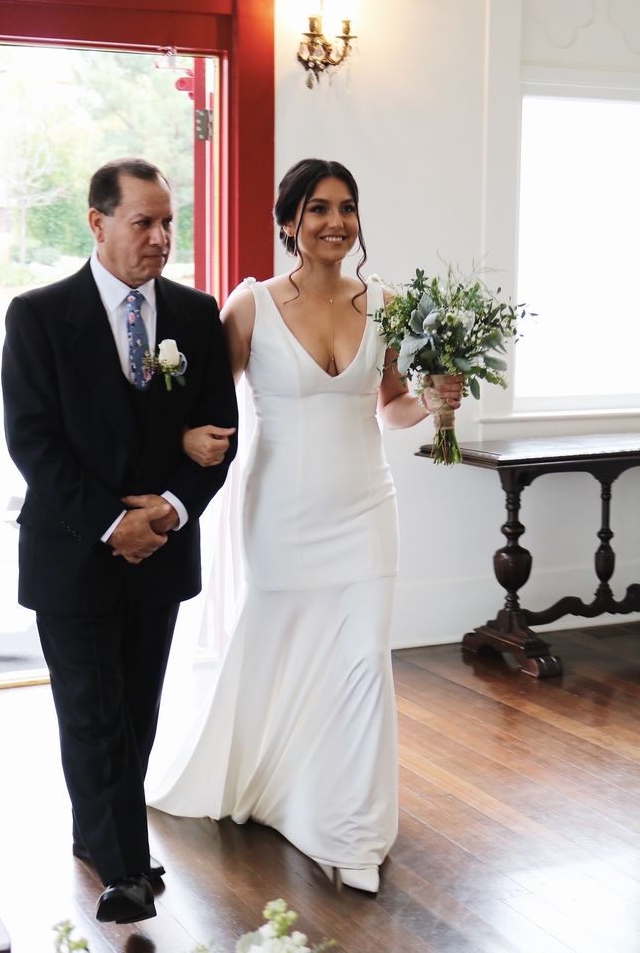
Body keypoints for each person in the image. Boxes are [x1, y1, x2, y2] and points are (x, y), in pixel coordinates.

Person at [147, 158, 461, 894]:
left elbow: (391, 407)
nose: (335, 222)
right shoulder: (250, 306)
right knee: (282, 652)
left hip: (366, 509)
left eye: (346, 208)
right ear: (289, 222)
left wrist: (435, 403)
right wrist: (178, 444)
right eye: (318, 208)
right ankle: (274, 783)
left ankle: (351, 831)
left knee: (363, 663)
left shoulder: (386, 303)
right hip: (282, 514)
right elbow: (204, 403)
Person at [1, 158, 238, 924]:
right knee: (91, 712)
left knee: (135, 708)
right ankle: (128, 872)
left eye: (170, 222)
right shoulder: (37, 316)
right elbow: (35, 444)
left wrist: (168, 509)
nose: (162, 237)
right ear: (97, 223)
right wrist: (114, 521)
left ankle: (98, 835)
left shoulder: (196, 315)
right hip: (71, 551)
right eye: (145, 222)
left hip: (161, 552)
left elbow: (218, 437)